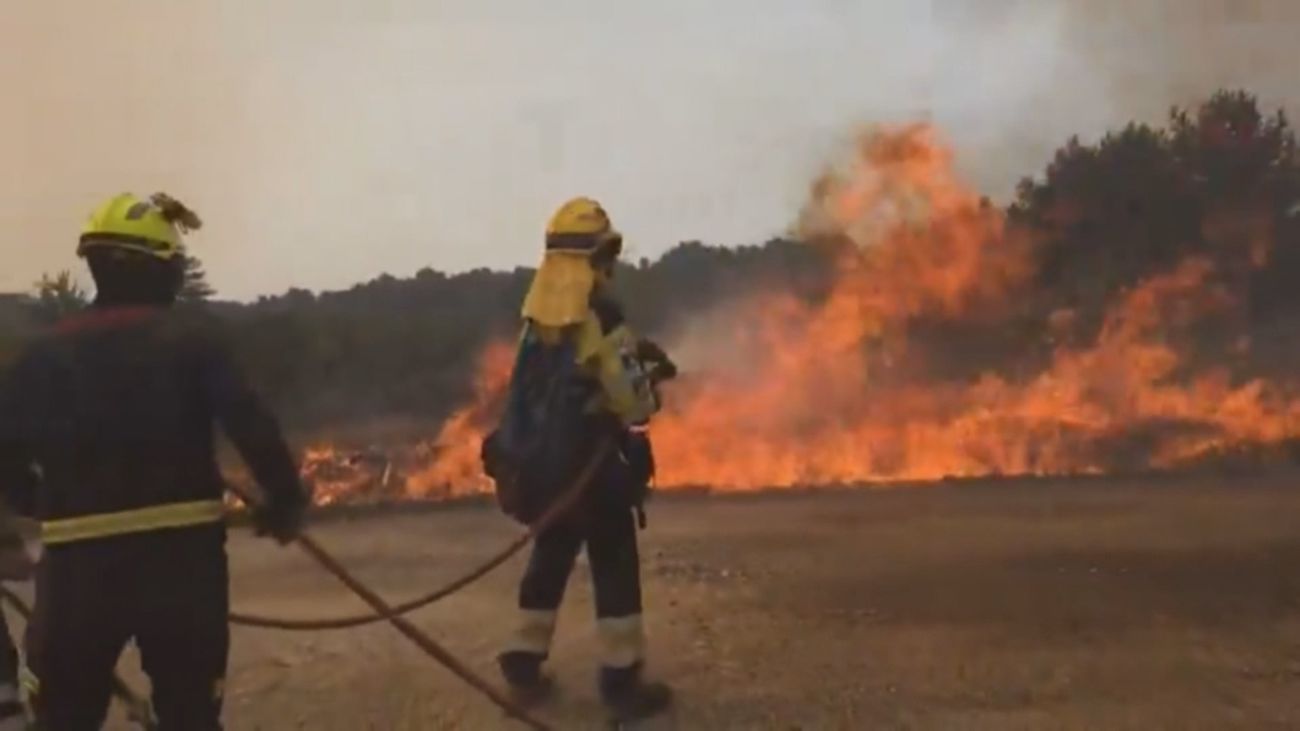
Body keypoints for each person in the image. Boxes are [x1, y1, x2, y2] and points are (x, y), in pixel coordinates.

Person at [0, 192, 310, 730]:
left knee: (63, 718)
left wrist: (43, 502)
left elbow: (4, 454)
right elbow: (250, 423)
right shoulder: (193, 340)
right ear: (160, 268)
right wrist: (284, 500)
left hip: (76, 570)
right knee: (190, 715)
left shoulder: (39, 357)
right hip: (182, 563)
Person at [491, 197, 675, 723]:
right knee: (614, 561)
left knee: (550, 555)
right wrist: (650, 382)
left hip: (540, 469)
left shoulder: (534, 319)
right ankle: (621, 683)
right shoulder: (599, 313)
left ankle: (523, 663)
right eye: (606, 255)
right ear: (595, 257)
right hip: (591, 472)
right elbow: (630, 401)